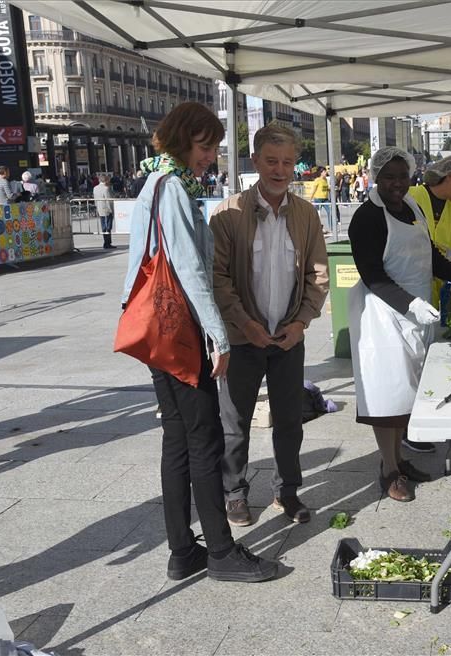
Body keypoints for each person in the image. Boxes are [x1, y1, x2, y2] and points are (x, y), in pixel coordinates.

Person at [122, 101, 277, 583]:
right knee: (204, 438)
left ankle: (182, 549)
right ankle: (222, 553)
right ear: (183, 140)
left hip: (158, 331)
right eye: (205, 147)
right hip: (182, 331)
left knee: (177, 440)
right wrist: (218, 336)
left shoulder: (156, 182)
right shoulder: (171, 189)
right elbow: (189, 270)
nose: (210, 157)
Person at [210, 124, 329, 527]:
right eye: (272, 161)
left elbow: (318, 275)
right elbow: (219, 279)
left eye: (288, 162)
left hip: (288, 338)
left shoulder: (307, 214)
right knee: (235, 422)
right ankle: (235, 494)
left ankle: (287, 492)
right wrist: (245, 323)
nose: (281, 170)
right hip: (244, 338)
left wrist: (301, 323)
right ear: (256, 161)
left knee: (289, 420)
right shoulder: (229, 213)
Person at [347, 147, 451, 502]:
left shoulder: (413, 208)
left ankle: (398, 460)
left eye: (404, 176)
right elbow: (372, 275)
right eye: (390, 177)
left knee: (409, 392)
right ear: (375, 177)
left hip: (416, 312)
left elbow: (428, 254)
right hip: (383, 315)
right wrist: (410, 303)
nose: (398, 184)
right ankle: (388, 471)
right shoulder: (366, 217)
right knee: (389, 397)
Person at [405, 153, 451, 455]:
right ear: (448, 175)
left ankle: (427, 418)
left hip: (435, 294)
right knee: (408, 364)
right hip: (406, 292)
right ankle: (408, 427)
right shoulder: (411, 197)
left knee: (428, 363)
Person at [93, 174, 115, 249]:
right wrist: (112, 210)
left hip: (100, 209)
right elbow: (109, 201)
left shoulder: (95, 188)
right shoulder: (106, 189)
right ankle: (107, 243)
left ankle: (106, 242)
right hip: (106, 210)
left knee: (103, 227)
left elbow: (95, 199)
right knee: (108, 227)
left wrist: (96, 208)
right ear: (106, 180)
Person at [309, 167, 331, 232]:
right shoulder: (317, 180)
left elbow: (326, 189)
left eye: (326, 171)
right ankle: (319, 229)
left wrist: (330, 189)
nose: (326, 172)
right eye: (324, 171)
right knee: (318, 215)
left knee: (330, 212)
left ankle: (332, 228)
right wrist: (310, 199)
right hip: (318, 199)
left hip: (325, 199)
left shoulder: (326, 180)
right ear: (321, 173)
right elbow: (314, 190)